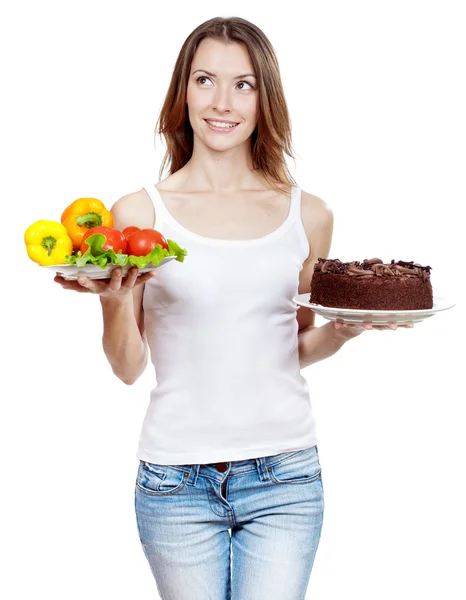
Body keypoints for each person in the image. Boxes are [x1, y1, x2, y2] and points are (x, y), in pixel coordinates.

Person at [54, 16, 412, 600]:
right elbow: (126, 368)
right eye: (205, 80)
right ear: (183, 91)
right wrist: (117, 301)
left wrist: (344, 332)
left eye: (243, 84)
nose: (222, 102)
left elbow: (293, 346)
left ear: (264, 97)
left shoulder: (309, 214)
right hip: (175, 482)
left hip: (286, 478)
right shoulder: (138, 215)